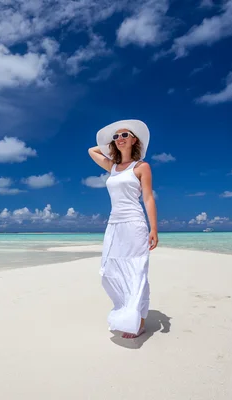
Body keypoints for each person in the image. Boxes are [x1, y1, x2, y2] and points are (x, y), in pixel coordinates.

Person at [88, 119, 158, 339]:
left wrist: (153, 229)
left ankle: (139, 321)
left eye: (124, 135)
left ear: (135, 139)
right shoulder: (113, 167)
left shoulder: (141, 167)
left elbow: (147, 198)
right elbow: (91, 150)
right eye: (115, 137)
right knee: (112, 269)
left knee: (137, 270)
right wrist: (112, 146)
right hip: (114, 224)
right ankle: (126, 312)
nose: (119, 139)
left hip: (134, 223)